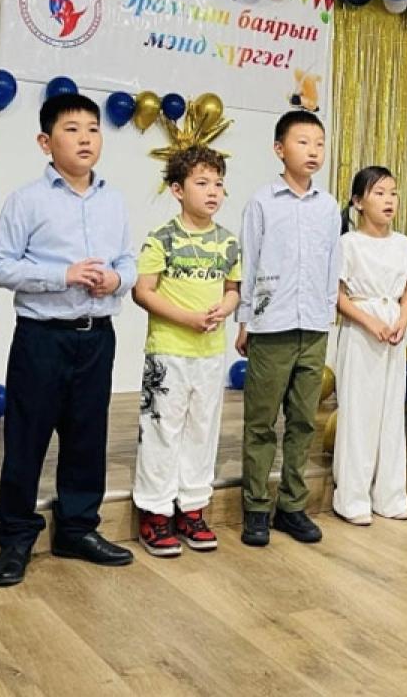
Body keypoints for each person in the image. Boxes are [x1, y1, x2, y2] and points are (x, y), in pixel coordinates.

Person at [0, 93, 137, 586]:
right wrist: (63, 275)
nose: (85, 139)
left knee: (87, 438)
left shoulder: (114, 200)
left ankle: (77, 529)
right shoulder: (27, 200)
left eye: (93, 129)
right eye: (72, 130)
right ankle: (15, 537)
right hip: (42, 338)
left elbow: (128, 260)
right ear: (44, 142)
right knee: (26, 440)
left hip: (97, 336)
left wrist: (118, 280)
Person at [235, 110, 341, 547]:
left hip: (313, 326)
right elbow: (249, 263)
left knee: (303, 421)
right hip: (271, 326)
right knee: (261, 423)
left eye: (319, 143)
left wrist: (327, 313)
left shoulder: (329, 206)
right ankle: (256, 507)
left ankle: (292, 507)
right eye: (302, 142)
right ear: (280, 149)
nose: (313, 151)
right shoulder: (262, 203)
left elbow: (333, 264)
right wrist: (245, 321)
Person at [131, 146, 241, 557]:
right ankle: (155, 512)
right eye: (202, 183)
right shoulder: (161, 238)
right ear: (178, 190)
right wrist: (187, 318)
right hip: (168, 352)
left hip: (210, 354)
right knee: (162, 430)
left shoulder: (228, 241)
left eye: (218, 184)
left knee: (202, 430)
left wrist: (224, 308)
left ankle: (192, 507)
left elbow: (233, 290)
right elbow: (142, 291)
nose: (213, 191)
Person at [332, 165, 407, 524]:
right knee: (359, 413)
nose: (389, 200)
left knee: (390, 413)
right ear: (358, 201)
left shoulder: (403, 244)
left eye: (393, 193)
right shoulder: (347, 244)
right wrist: (370, 322)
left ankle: (390, 495)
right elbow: (338, 296)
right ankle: (351, 497)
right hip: (361, 330)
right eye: (379, 193)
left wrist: (401, 321)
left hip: (393, 331)